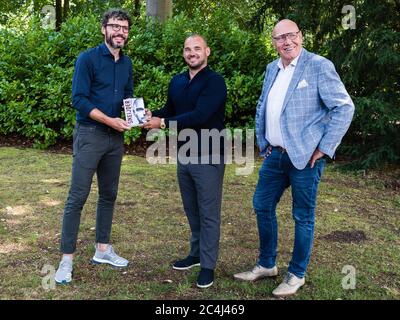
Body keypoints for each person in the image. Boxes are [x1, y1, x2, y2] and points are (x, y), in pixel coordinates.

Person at [233, 19, 355, 297]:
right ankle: (266, 265)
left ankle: (296, 274)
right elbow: (263, 105)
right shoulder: (271, 69)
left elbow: (344, 107)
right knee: (262, 205)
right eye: (280, 38)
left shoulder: (318, 65)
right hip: (275, 155)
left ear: (301, 36)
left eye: (292, 35)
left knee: (303, 216)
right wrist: (263, 141)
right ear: (273, 42)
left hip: (306, 158)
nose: (286, 42)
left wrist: (324, 147)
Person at [55, 9, 133, 284]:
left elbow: (128, 97)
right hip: (90, 134)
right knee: (77, 197)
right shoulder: (87, 59)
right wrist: (109, 120)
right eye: (114, 26)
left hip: (115, 139)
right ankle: (66, 260)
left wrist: (136, 116)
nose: (119, 32)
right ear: (104, 29)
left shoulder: (126, 63)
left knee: (109, 195)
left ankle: (102, 249)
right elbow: (79, 99)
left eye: (124, 28)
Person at [143, 34, 227, 289]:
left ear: (207, 52)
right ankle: (195, 254)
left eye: (197, 49)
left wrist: (164, 123)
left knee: (208, 213)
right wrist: (151, 115)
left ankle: (208, 266)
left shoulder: (215, 82)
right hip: (185, 154)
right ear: (184, 54)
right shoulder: (177, 81)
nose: (192, 53)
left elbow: (200, 115)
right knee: (192, 209)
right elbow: (171, 110)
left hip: (209, 154)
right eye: (188, 50)